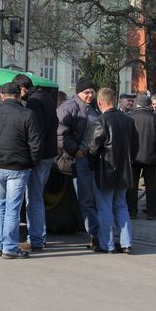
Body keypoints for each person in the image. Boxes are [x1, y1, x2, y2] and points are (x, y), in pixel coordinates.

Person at [0, 82, 42, 259]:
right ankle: (9, 248)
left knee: (0, 206)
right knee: (13, 208)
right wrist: (32, 163)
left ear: (2, 96)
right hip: (19, 167)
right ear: (19, 95)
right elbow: (36, 144)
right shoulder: (28, 114)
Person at [87, 88, 137, 254]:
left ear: (100, 103)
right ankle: (126, 243)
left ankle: (107, 244)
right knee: (121, 206)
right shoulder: (129, 121)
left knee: (105, 208)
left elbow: (93, 149)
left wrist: (92, 164)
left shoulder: (100, 121)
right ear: (114, 101)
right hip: (124, 171)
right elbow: (135, 147)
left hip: (105, 170)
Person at [12, 74, 58, 252]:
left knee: (33, 198)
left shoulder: (33, 103)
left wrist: (33, 158)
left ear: (23, 89)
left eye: (18, 92)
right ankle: (39, 236)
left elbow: (36, 133)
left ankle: (36, 239)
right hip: (49, 154)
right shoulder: (45, 96)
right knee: (37, 196)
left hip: (40, 157)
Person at [56, 77, 101, 250]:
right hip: (79, 159)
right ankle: (95, 235)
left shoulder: (91, 108)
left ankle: (96, 232)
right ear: (78, 92)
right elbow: (60, 133)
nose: (90, 95)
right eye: (86, 92)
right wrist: (76, 151)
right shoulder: (69, 107)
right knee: (86, 199)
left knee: (90, 198)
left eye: (92, 92)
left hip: (91, 159)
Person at [129, 94, 156, 220]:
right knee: (151, 186)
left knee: (132, 186)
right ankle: (152, 212)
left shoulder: (130, 118)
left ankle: (132, 211)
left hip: (133, 157)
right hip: (150, 157)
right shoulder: (154, 118)